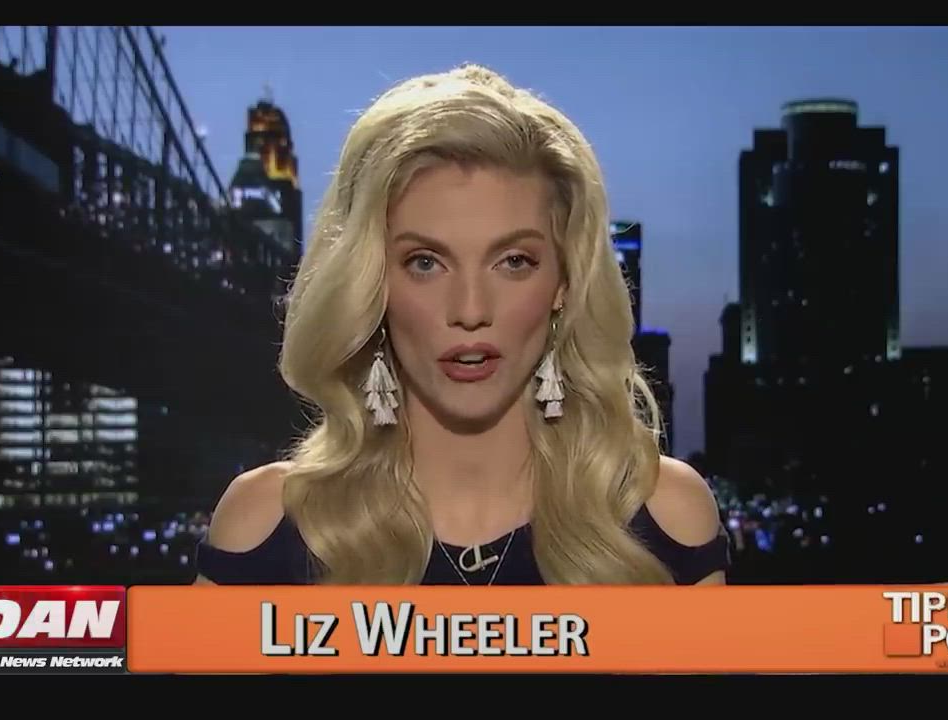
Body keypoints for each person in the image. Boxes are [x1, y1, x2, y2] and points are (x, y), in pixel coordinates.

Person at [194, 63, 730, 586]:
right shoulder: (261, 526)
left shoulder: (668, 517)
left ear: (564, 283)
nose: (471, 310)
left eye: (513, 261)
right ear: (372, 283)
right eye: (425, 263)